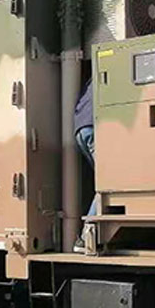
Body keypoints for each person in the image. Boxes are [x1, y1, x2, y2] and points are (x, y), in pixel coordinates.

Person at [73, 77, 96, 251]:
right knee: (109, 183)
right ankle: (85, 237)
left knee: (104, 180)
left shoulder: (92, 79)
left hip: (81, 128)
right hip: (94, 126)